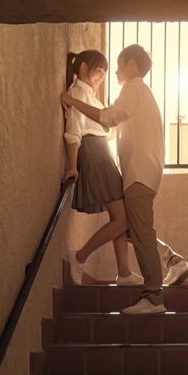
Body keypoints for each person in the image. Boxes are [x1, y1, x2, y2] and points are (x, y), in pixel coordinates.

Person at [61, 43, 188, 315]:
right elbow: (109, 126)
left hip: (140, 174)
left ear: (131, 64)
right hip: (143, 173)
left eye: (118, 66)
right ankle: (171, 261)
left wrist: (73, 101)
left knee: (140, 231)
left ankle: (155, 297)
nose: (115, 73)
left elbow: (108, 118)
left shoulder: (133, 88)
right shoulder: (140, 93)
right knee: (133, 227)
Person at [63, 50, 141, 286]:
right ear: (84, 68)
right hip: (94, 155)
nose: (102, 77)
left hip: (103, 156)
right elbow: (73, 133)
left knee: (121, 216)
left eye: (106, 73)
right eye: (99, 71)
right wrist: (72, 166)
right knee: (123, 218)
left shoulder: (91, 97)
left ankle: (124, 273)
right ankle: (81, 256)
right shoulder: (77, 93)